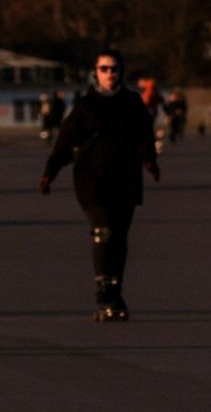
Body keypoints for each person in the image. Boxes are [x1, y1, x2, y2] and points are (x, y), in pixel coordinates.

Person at [38, 49, 160, 321]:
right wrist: (50, 173)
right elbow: (64, 141)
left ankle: (115, 292)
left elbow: (145, 135)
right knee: (103, 231)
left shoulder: (132, 102)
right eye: (104, 69)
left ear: (121, 72)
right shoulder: (85, 105)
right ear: (96, 72)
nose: (109, 74)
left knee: (120, 237)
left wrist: (150, 162)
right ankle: (103, 290)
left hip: (126, 179)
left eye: (114, 68)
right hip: (92, 180)